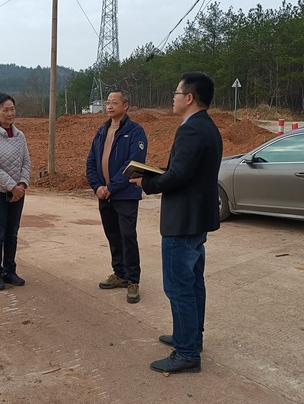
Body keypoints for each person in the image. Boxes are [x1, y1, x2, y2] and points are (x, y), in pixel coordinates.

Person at [130, 72, 223, 374]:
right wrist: (158, 173)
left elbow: (180, 175)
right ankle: (191, 338)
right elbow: (186, 170)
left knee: (179, 286)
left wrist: (147, 183)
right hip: (197, 219)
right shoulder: (207, 126)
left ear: (189, 97)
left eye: (176, 93)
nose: (173, 99)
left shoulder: (191, 129)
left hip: (183, 221)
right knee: (193, 282)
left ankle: (186, 352)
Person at [86, 90, 148, 304]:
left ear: (126, 105)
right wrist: (97, 187)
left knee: (127, 236)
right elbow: (91, 162)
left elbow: (133, 164)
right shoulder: (101, 131)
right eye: (107, 102)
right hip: (104, 195)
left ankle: (132, 280)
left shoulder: (135, 131)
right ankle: (119, 273)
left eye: (114, 102)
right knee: (113, 235)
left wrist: (111, 187)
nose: (109, 106)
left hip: (125, 195)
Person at [0, 93, 31, 291]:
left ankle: (10, 271)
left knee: (12, 233)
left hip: (18, 192)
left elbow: (26, 162)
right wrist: (12, 187)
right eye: (5, 110)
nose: (10, 113)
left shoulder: (20, 136)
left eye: (12, 109)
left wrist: (22, 185)